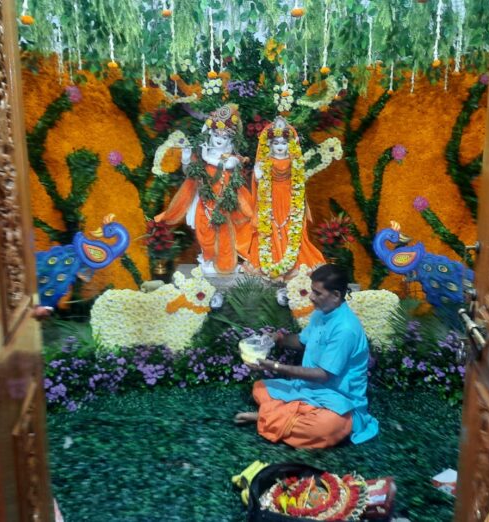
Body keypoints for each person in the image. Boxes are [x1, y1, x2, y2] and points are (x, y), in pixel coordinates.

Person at [235, 264, 379, 448]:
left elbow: (323, 375)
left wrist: (275, 366)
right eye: (312, 290)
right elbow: (303, 341)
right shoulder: (321, 314)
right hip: (309, 389)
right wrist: (278, 338)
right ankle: (291, 415)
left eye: (317, 293)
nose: (311, 297)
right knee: (260, 388)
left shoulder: (345, 329)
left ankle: (266, 417)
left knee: (324, 426)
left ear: (336, 295)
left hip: (339, 399)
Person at [155, 105, 253, 275]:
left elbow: (227, 165)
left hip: (225, 204)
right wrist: (186, 157)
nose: (219, 139)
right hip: (204, 202)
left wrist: (206, 156)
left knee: (226, 234)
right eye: (216, 134)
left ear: (231, 140)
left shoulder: (232, 158)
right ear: (209, 134)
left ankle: (224, 263)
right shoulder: (202, 156)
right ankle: (208, 259)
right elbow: (190, 173)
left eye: (224, 136)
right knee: (204, 233)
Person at [245, 117, 324, 280]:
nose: (280, 146)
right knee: (270, 228)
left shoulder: (295, 162)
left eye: (283, 143)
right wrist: (258, 173)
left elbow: (299, 182)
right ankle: (270, 264)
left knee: (291, 229)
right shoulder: (265, 161)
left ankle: (291, 266)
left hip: (290, 200)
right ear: (270, 145)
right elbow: (258, 180)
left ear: (290, 144)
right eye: (276, 143)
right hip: (270, 200)